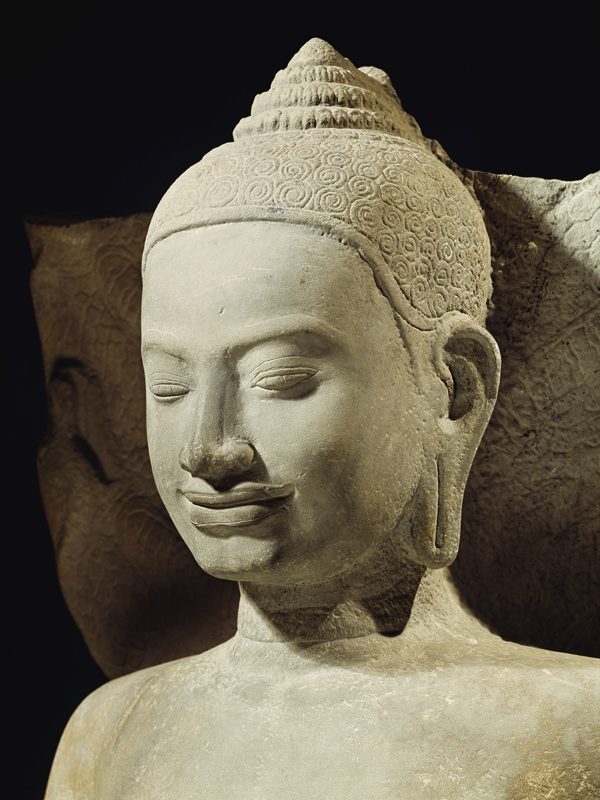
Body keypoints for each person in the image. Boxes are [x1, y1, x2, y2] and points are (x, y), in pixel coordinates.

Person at [46, 39, 599, 799]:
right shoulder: (108, 731)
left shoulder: (572, 730)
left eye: (281, 378)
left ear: (454, 389)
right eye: (168, 386)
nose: (210, 447)